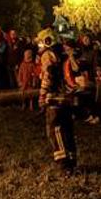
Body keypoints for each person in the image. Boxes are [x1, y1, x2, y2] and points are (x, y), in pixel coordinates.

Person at [39, 31, 76, 172]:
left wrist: (42, 95)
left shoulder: (48, 55)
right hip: (67, 98)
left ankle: (64, 163)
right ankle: (72, 160)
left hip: (55, 99)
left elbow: (48, 75)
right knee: (67, 129)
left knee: (56, 130)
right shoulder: (64, 53)